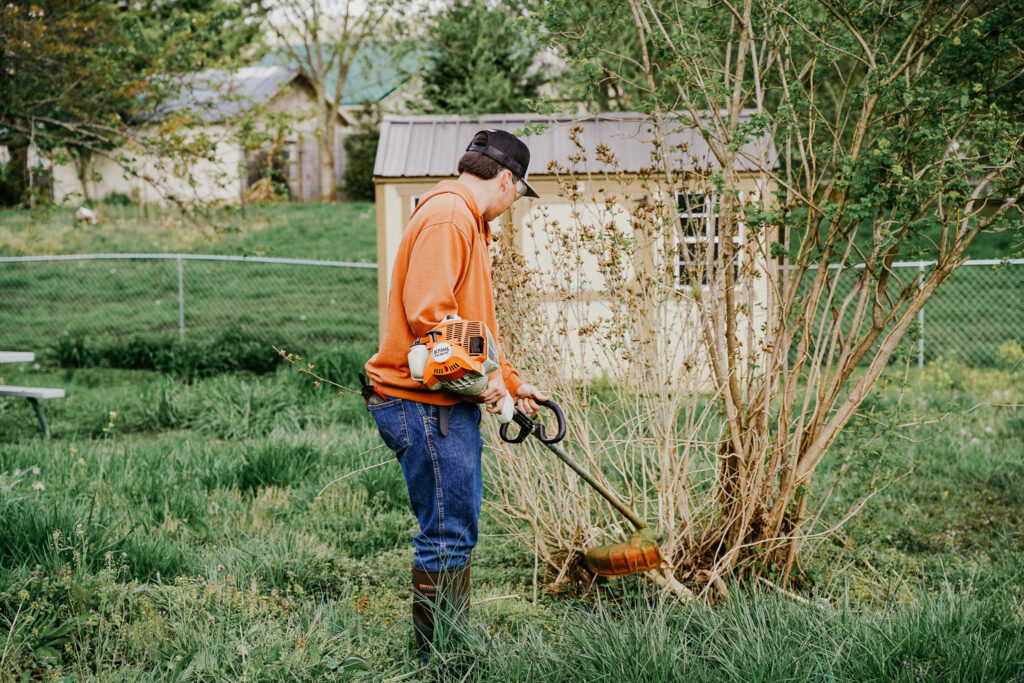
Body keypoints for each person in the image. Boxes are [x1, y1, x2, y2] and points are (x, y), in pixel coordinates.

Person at [361, 129, 548, 658]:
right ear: (507, 180)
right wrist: (487, 383)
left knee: (454, 529)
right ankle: (440, 656)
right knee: (447, 534)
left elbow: (473, 326)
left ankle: (448, 645)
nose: (513, 204)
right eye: (519, 193)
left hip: (442, 403)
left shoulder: (464, 218)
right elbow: (433, 318)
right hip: (426, 405)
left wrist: (510, 381)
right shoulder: (450, 217)